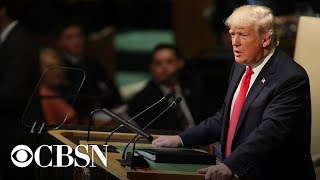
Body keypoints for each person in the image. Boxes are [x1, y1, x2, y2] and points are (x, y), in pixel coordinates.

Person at [153, 5, 316, 180]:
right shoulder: (240, 66)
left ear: (266, 39)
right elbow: (226, 118)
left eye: (243, 35)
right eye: (232, 34)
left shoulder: (290, 78)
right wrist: (182, 139)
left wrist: (231, 165)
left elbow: (270, 132)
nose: (234, 42)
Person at [128, 44, 210, 131]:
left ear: (180, 63)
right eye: (158, 63)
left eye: (169, 61)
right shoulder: (142, 100)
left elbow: (209, 117)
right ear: (152, 67)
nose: (164, 67)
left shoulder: (195, 87)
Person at [0, 0, 40, 179]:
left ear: (2, 11)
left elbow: (13, 93)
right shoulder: (9, 38)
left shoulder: (20, 43)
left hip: (15, 130)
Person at [55, 21, 122, 124]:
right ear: (59, 42)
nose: (76, 41)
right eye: (69, 37)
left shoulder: (92, 63)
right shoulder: (59, 68)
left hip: (106, 113)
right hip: (79, 121)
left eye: (79, 35)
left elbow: (111, 89)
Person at [39, 47, 77, 126]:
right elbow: (70, 116)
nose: (58, 71)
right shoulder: (45, 94)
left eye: (59, 66)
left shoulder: (65, 91)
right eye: (51, 67)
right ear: (39, 69)